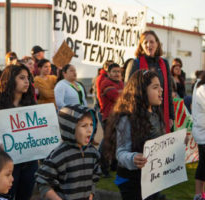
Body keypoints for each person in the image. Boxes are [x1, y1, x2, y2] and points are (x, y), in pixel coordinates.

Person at [104, 70, 165, 200]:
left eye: (160, 86)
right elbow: (120, 152)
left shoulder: (155, 114)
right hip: (132, 182)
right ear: (141, 91)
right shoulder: (126, 118)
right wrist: (133, 158)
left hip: (152, 179)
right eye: (155, 87)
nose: (161, 89)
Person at [0, 64, 37, 200]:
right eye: (22, 78)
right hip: (5, 164)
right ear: (9, 80)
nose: (27, 81)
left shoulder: (31, 105)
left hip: (29, 162)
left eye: (28, 78)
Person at [35, 104, 101, 200]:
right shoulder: (59, 154)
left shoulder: (93, 153)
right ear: (70, 128)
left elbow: (93, 179)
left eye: (91, 124)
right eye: (84, 125)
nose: (89, 130)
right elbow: (42, 180)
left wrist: (91, 195)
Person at [125, 30, 174, 133]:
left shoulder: (164, 63)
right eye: (145, 42)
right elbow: (128, 93)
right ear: (141, 46)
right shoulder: (135, 63)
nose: (148, 45)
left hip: (162, 113)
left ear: (157, 43)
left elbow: (168, 91)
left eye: (151, 42)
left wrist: (171, 116)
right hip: (142, 115)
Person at [191, 73, 205, 200]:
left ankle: (200, 194)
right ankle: (198, 195)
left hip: (201, 131)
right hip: (203, 132)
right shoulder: (201, 87)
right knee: (203, 165)